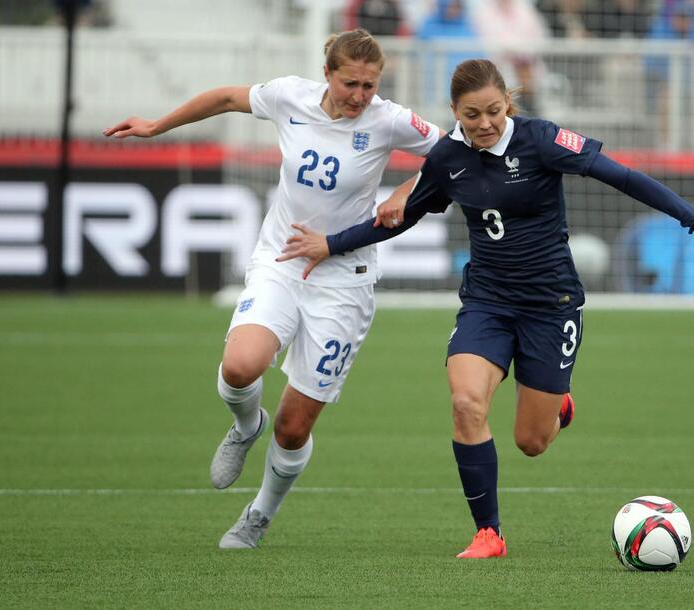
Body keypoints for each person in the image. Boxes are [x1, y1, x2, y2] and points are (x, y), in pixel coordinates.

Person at [277, 59, 694, 559]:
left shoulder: (541, 139)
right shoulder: (446, 158)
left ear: (510, 103)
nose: (484, 124)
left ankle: (557, 406)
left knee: (531, 441)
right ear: (454, 113)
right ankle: (489, 533)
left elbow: (624, 178)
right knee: (465, 405)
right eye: (472, 114)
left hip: (551, 305)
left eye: (494, 112)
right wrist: (333, 243)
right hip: (487, 302)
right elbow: (401, 218)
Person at [103, 29, 442, 549]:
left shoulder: (389, 120)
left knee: (292, 428)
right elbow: (224, 98)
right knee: (240, 366)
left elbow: (453, 150)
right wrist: (156, 126)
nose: (359, 96)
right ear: (327, 74)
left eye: (369, 86)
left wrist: (405, 188)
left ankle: (259, 513)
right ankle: (243, 426)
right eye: (349, 83)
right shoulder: (290, 96)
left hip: (344, 283)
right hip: (282, 261)